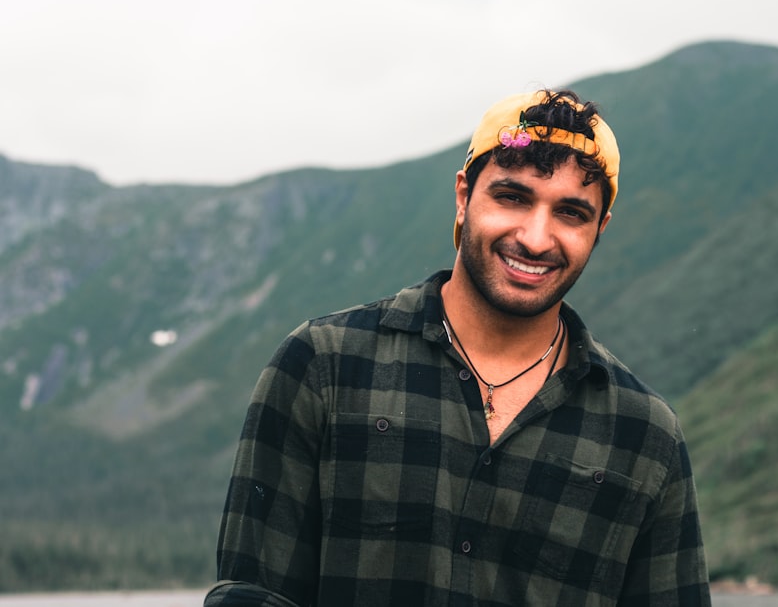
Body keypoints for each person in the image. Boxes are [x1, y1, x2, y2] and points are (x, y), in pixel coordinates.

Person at [204, 89, 711, 606]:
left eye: (571, 213)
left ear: (599, 228)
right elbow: (254, 595)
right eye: (512, 197)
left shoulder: (644, 435)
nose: (537, 238)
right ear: (464, 196)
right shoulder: (325, 366)